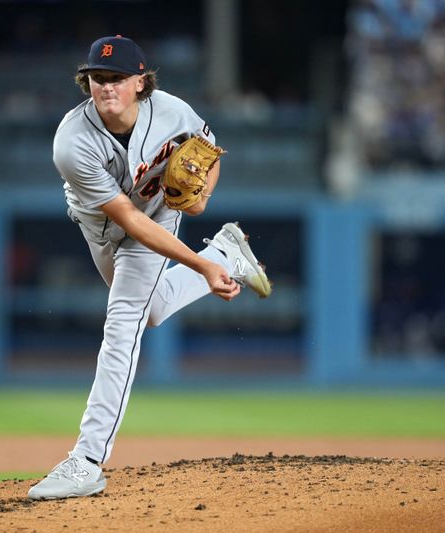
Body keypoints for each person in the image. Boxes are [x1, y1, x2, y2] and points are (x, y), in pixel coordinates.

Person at [28, 35, 271, 500]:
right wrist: (203, 264)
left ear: (140, 81)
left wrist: (202, 196)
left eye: (117, 78)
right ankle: (225, 254)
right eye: (98, 79)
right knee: (152, 310)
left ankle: (87, 459)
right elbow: (128, 222)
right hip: (105, 227)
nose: (106, 87)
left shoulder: (172, 111)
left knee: (123, 323)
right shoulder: (71, 142)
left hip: (159, 212)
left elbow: (209, 149)